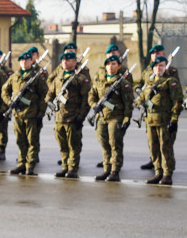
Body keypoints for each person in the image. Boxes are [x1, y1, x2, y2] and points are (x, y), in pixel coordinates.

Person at [136, 55, 182, 185]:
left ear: (166, 67)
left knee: (165, 148)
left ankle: (167, 174)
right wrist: (141, 104)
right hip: (150, 121)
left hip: (164, 121)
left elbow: (177, 102)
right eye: (156, 66)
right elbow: (140, 99)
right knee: (154, 148)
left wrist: (174, 120)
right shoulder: (149, 83)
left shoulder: (170, 82)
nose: (158, 68)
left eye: (161, 65)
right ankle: (158, 172)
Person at [88, 54, 134, 182]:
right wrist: (94, 105)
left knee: (115, 144)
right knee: (104, 144)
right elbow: (91, 96)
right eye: (108, 64)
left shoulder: (123, 84)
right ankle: (106, 169)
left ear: (119, 66)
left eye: (113, 64)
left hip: (116, 117)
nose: (110, 66)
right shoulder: (99, 82)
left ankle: (115, 171)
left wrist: (126, 119)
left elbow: (128, 104)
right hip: (102, 117)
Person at [45, 51, 91, 178]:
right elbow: (50, 92)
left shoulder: (81, 79)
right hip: (59, 118)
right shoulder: (58, 77)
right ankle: (65, 166)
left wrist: (80, 117)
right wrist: (49, 102)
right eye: (63, 60)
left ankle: (72, 169)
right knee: (62, 145)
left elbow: (86, 100)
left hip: (73, 118)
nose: (65, 62)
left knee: (73, 145)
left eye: (69, 60)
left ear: (75, 62)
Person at [2, 51, 48, 176]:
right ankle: (21, 164)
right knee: (20, 141)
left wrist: (40, 114)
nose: (24, 62)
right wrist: (9, 102)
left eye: (27, 60)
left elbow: (44, 96)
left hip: (32, 114)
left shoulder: (36, 76)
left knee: (32, 142)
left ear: (31, 61)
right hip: (18, 114)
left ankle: (30, 166)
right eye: (22, 60)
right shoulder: (15, 76)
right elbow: (4, 90)